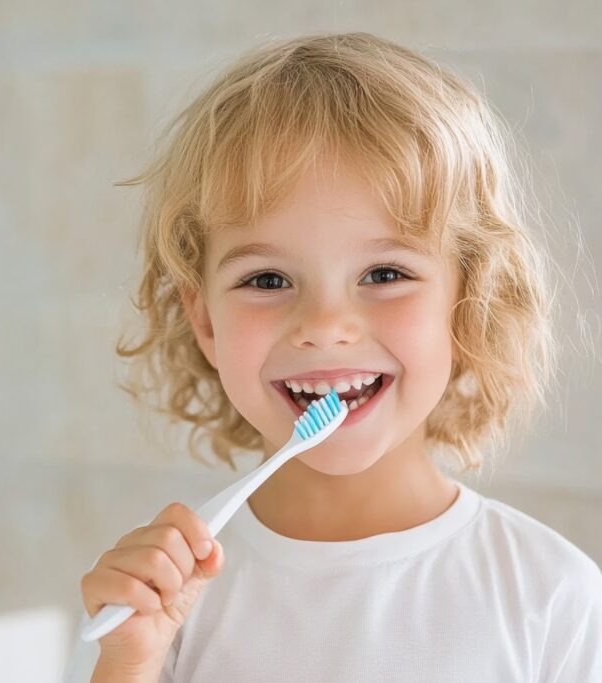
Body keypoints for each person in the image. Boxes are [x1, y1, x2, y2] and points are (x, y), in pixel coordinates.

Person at [63, 31, 602, 682]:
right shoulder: (156, 609)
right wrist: (129, 662)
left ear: (468, 298)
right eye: (267, 280)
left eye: (383, 273)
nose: (323, 326)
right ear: (203, 317)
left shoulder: (551, 596)